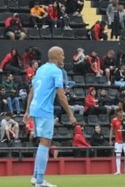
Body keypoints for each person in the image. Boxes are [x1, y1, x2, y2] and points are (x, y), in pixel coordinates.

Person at [24, 46, 76, 187]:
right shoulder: (56, 71)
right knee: (45, 143)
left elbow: (32, 91)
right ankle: (40, 181)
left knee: (43, 143)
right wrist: (70, 114)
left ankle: (36, 177)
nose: (63, 57)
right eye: (62, 55)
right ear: (57, 56)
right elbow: (61, 95)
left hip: (35, 108)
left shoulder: (41, 69)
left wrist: (27, 111)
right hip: (44, 110)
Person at [110, 108, 125, 175]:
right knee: (118, 155)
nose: (122, 113)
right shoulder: (114, 120)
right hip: (118, 141)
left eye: (122, 112)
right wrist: (110, 139)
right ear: (117, 113)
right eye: (120, 112)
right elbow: (112, 129)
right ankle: (118, 170)